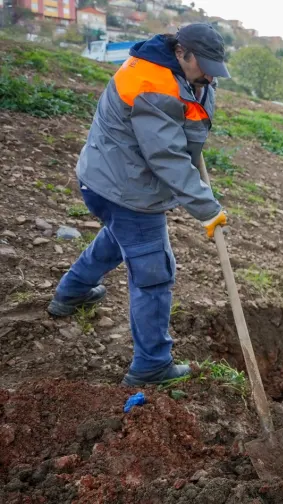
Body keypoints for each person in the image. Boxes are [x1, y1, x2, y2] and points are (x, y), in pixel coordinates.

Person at [47, 24, 230, 386]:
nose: (210, 74)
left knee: (119, 238)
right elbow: (166, 155)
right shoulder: (151, 82)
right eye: (204, 65)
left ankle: (72, 292)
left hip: (110, 179)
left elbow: (187, 121)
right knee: (154, 272)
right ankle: (151, 365)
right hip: (125, 188)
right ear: (182, 52)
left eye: (214, 66)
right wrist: (207, 208)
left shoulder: (188, 74)